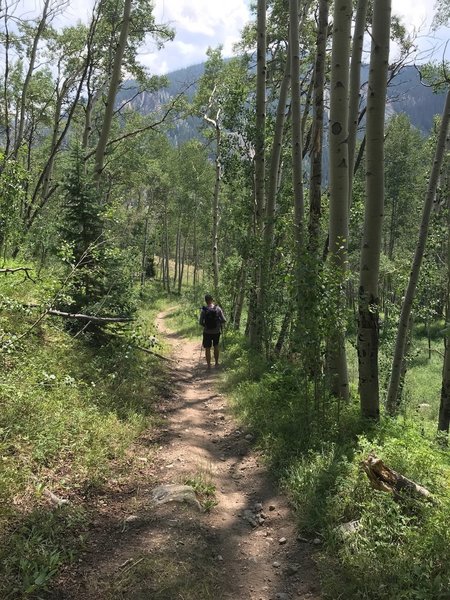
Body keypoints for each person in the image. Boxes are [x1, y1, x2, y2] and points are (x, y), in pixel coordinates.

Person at [199, 294, 226, 369]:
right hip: (216, 331)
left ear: (206, 301)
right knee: (216, 346)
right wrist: (218, 322)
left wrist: (206, 326)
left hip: (207, 332)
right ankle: (216, 363)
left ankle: (208, 366)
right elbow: (224, 320)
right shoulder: (218, 308)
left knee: (207, 348)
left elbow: (200, 322)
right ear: (212, 299)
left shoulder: (204, 310)